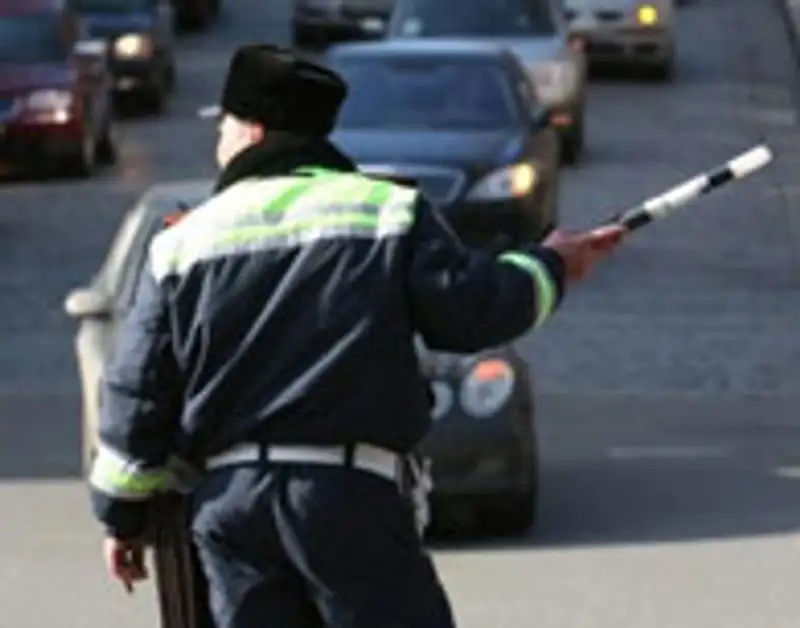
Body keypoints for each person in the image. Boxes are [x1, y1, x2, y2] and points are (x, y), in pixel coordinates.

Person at [87, 43, 626, 628]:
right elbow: (475, 311)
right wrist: (549, 265)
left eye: (223, 126)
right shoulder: (387, 213)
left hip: (233, 507)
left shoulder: (183, 242)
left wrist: (122, 517)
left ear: (251, 131)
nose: (218, 141)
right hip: (349, 499)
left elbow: (137, 392)